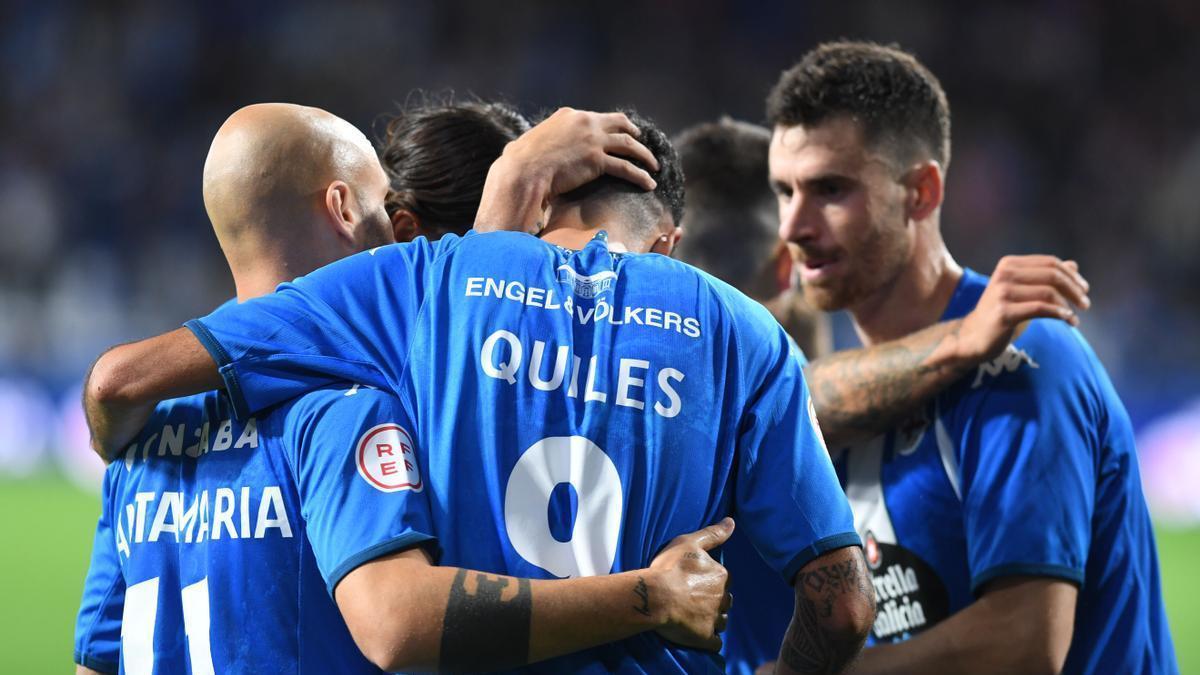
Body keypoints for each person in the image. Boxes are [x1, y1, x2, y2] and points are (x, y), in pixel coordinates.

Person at [83, 108, 876, 674]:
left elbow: (124, 381)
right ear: (667, 241)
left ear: (539, 203)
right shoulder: (744, 333)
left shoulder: (417, 287)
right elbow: (843, 605)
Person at [765, 40, 1177, 673]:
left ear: (921, 193)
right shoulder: (862, 386)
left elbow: (1024, 643)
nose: (794, 225)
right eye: (784, 191)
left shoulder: (1025, 361)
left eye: (829, 189)